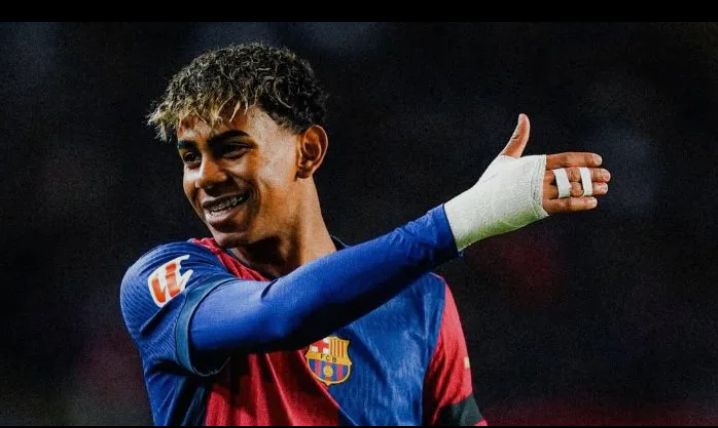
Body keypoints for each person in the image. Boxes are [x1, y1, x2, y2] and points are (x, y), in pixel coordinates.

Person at [120, 42, 611, 426]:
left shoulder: (422, 303)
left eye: (231, 149)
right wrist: (465, 217)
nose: (204, 177)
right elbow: (280, 315)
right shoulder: (165, 282)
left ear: (308, 152)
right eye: (190, 157)